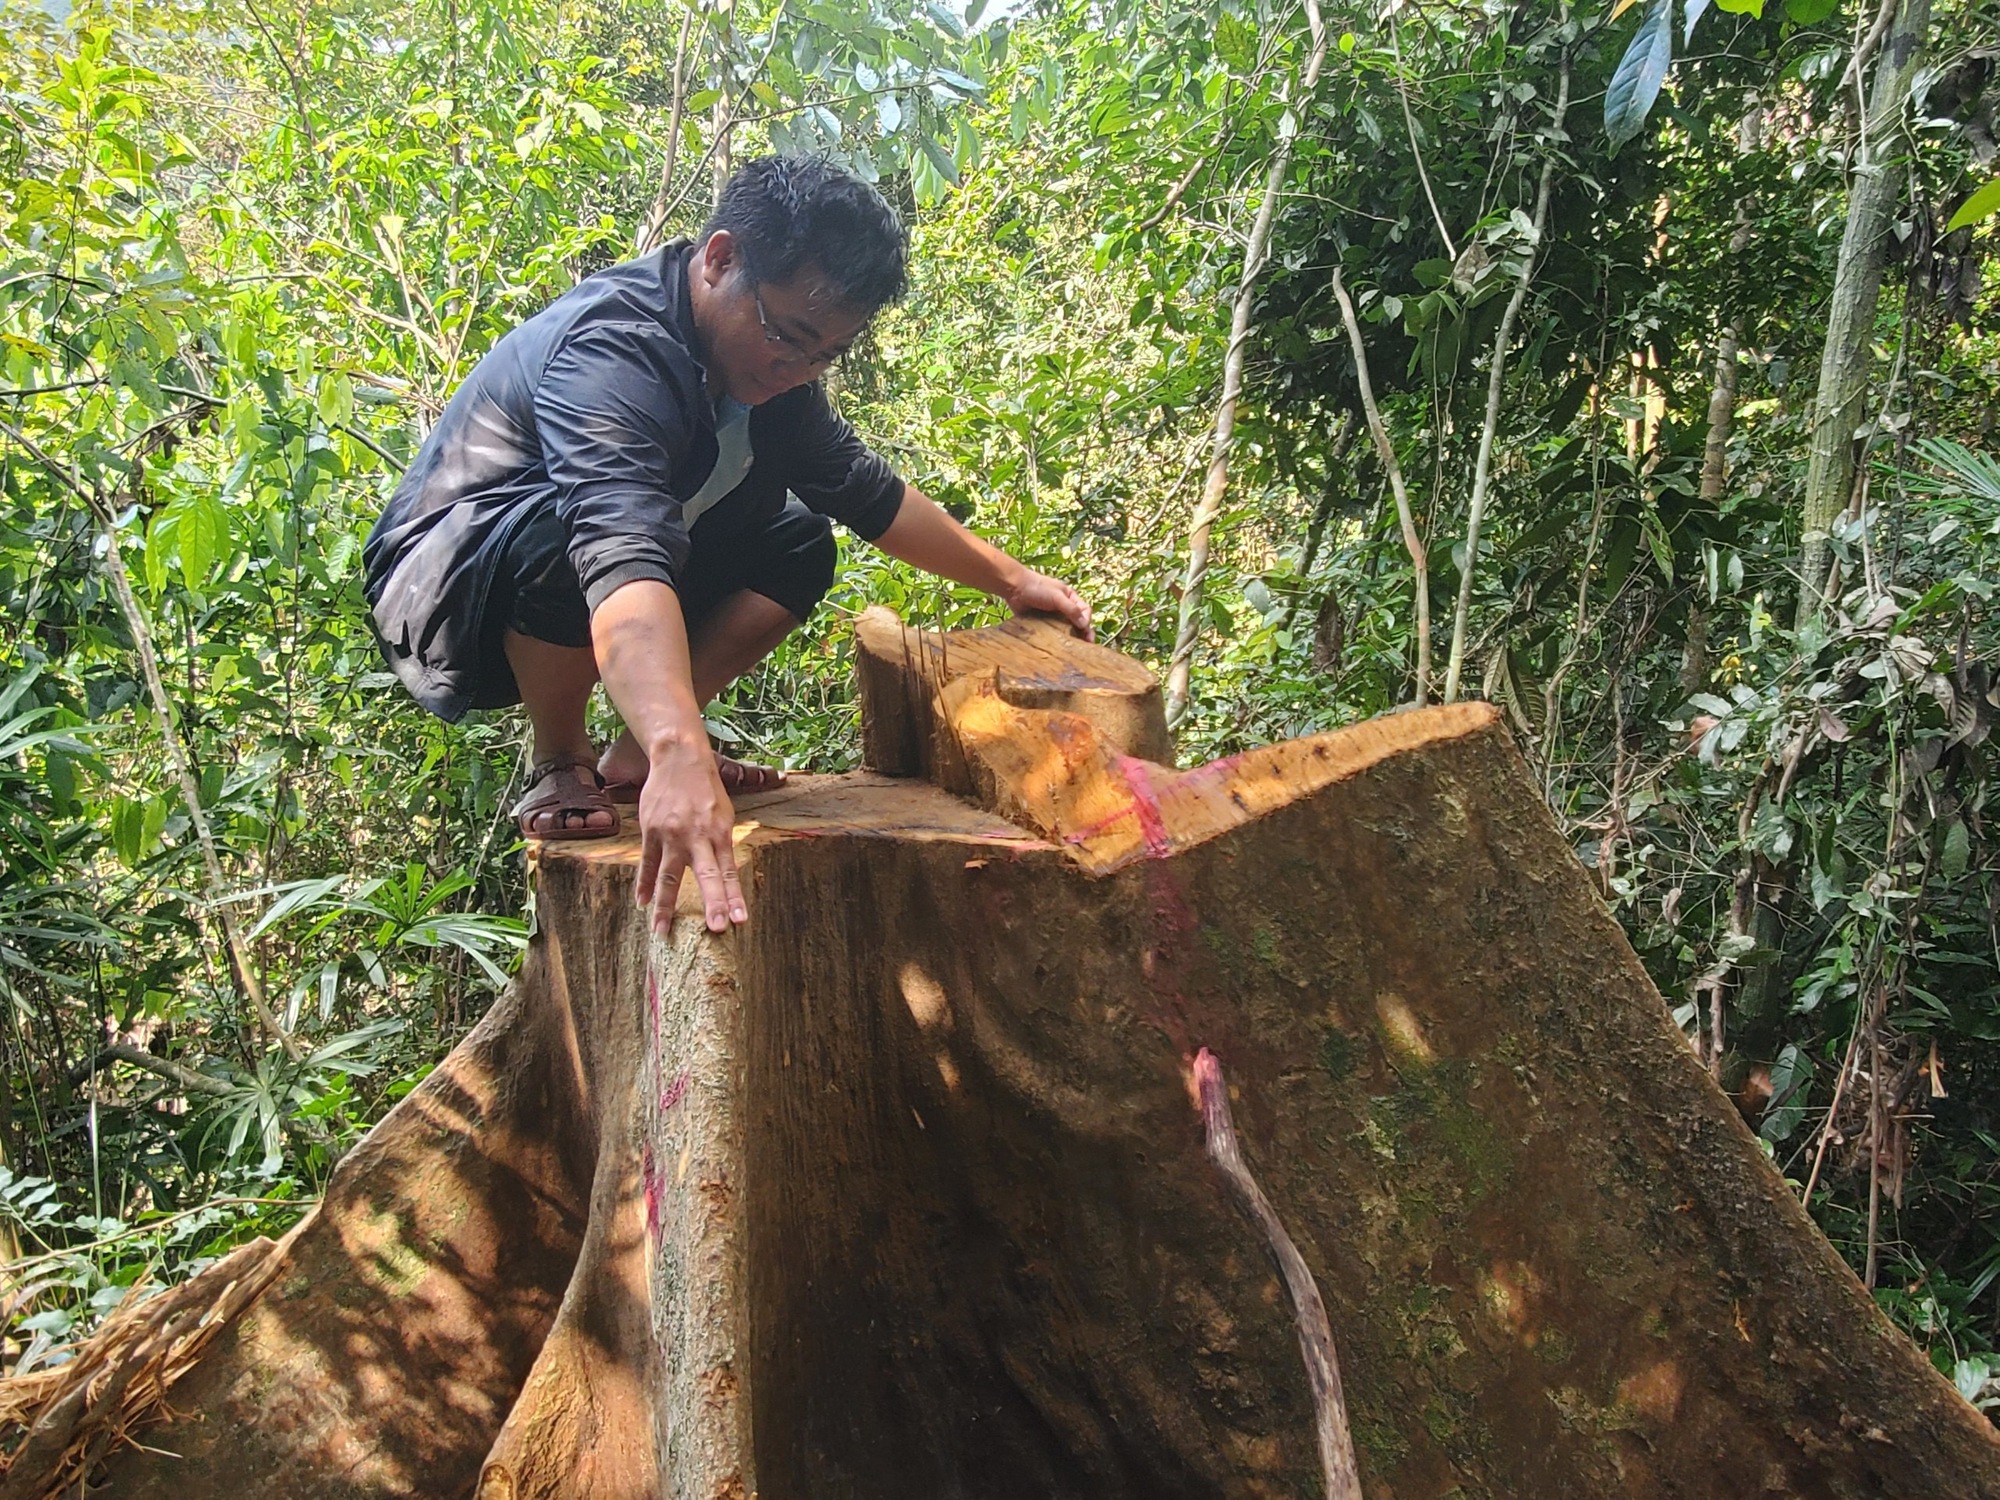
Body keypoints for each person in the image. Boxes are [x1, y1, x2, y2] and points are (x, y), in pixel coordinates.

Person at [363, 155, 1091, 937]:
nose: (799, 369)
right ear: (719, 259)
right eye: (790, 336)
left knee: (799, 541)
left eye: (826, 355)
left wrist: (1013, 580)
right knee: (568, 536)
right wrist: (684, 750)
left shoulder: (774, 376)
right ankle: (560, 757)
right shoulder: (615, 348)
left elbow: (862, 489)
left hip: (612, 565)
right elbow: (615, 544)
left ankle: (632, 757)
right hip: (456, 586)